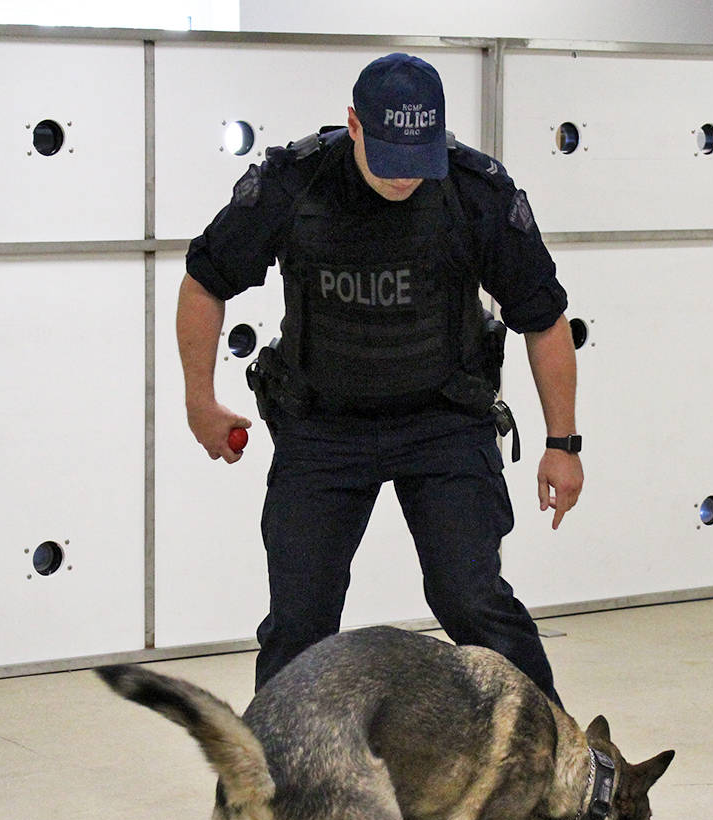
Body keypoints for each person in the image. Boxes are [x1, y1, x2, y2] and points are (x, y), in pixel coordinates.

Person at [176, 52, 582, 704]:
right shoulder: (296, 183)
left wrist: (562, 444)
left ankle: (555, 775)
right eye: (390, 159)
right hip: (324, 425)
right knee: (300, 623)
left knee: (471, 599)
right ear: (354, 126)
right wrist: (201, 400)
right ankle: (268, 792)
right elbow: (204, 283)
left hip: (444, 418)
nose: (404, 180)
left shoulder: (475, 192)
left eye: (418, 162)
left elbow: (544, 318)